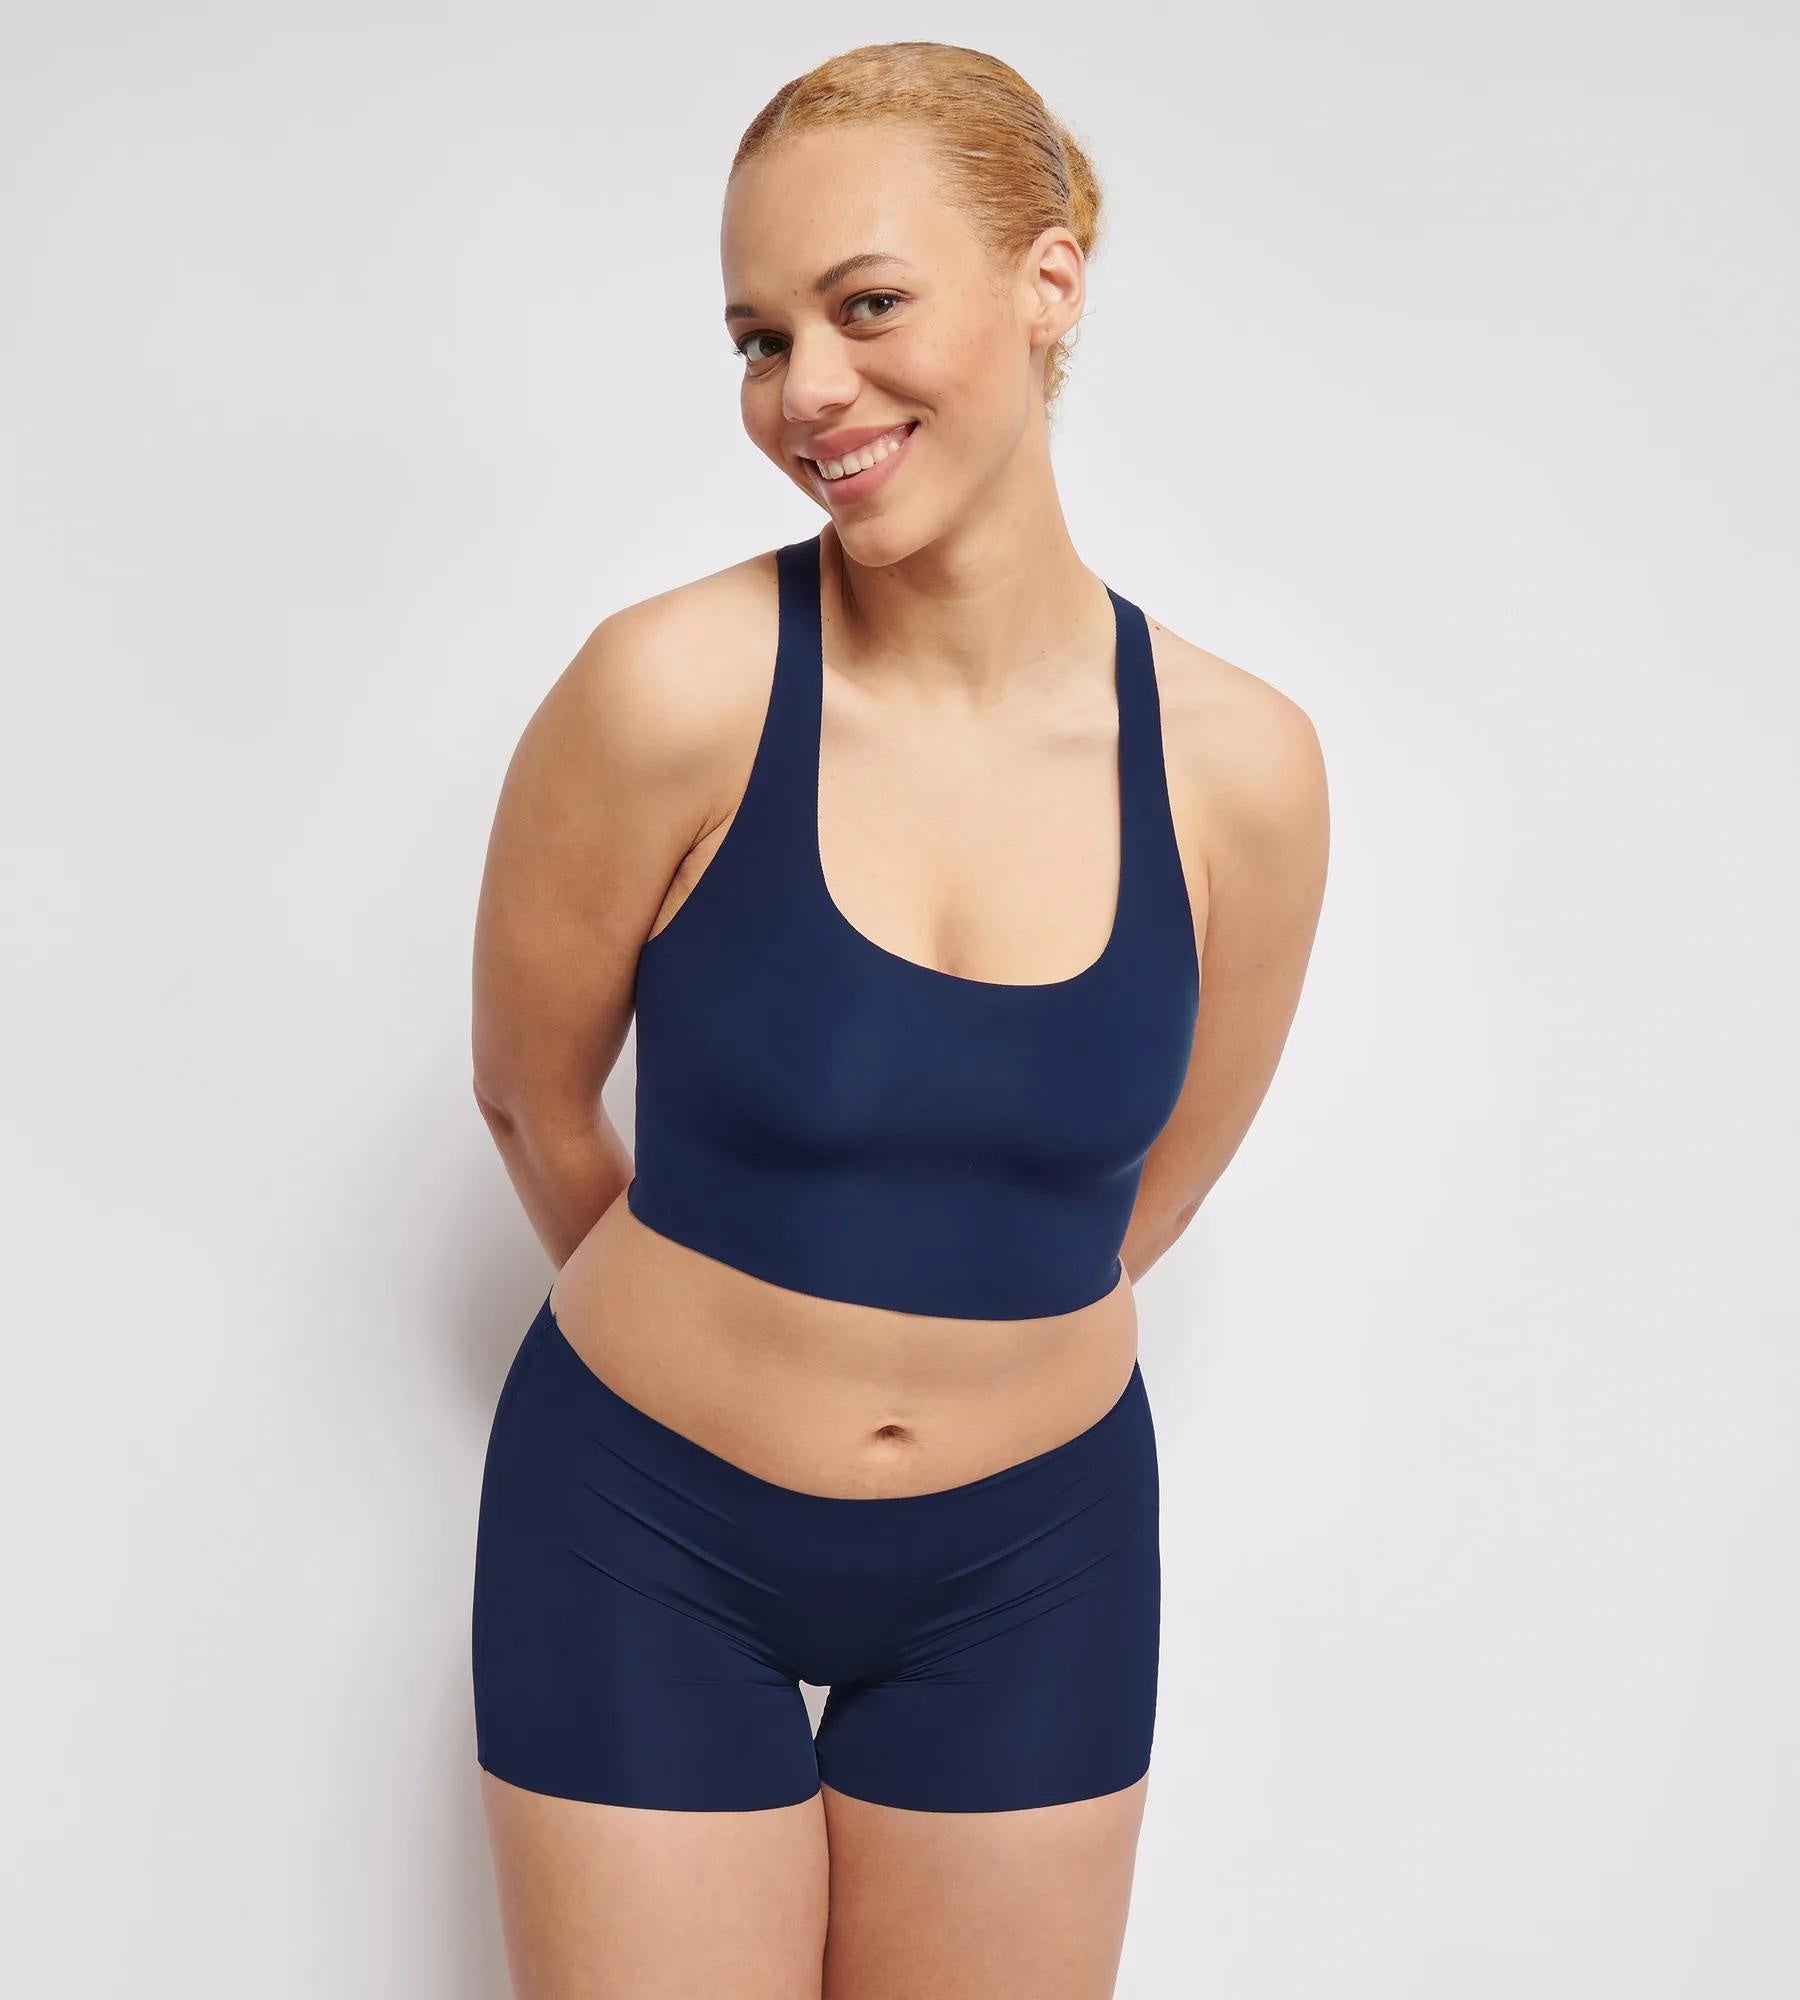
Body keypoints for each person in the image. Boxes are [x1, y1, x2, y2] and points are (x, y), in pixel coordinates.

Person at [467, 38, 1328, 2000]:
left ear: (1049, 283)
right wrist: (727, 1365)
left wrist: (954, 1364)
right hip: (641, 1528)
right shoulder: (667, 692)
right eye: (759, 339)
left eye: (865, 307)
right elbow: (530, 1098)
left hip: (1035, 1562)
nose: (806, 392)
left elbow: (1157, 1188)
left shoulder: (1243, 770)